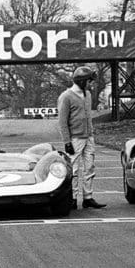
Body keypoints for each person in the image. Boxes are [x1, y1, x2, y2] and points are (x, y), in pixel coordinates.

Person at [57, 66, 105, 209]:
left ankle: (87, 197)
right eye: (89, 81)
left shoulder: (88, 95)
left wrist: (91, 132)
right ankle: (72, 198)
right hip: (75, 139)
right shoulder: (66, 97)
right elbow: (62, 122)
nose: (91, 84)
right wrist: (67, 142)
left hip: (89, 136)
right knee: (75, 170)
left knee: (89, 167)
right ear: (82, 81)